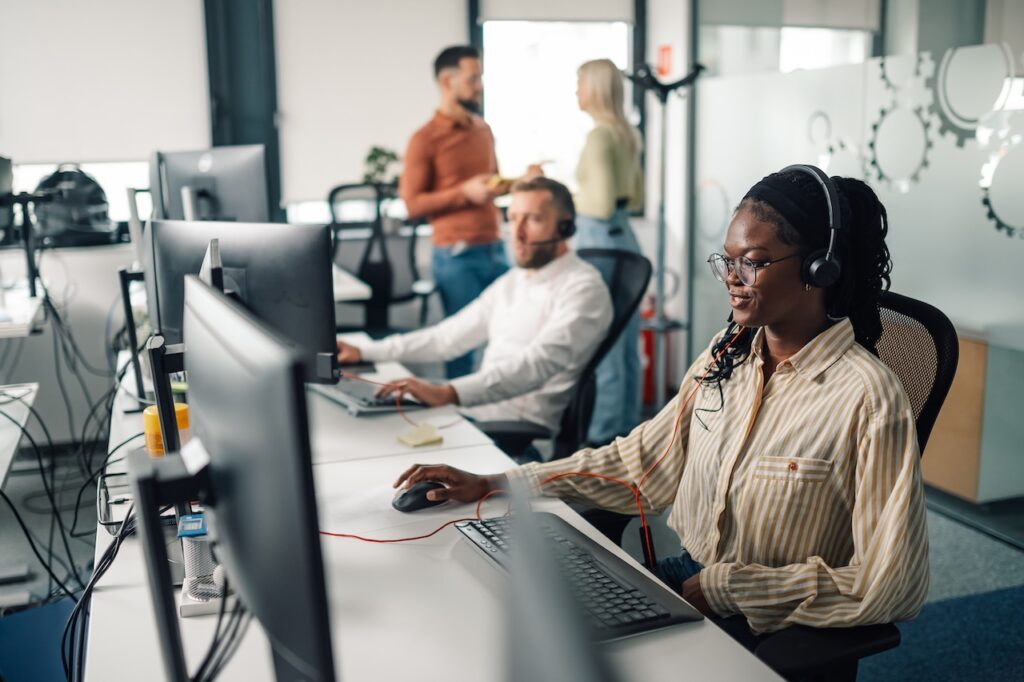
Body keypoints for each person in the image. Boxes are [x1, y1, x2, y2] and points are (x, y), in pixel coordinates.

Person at [393, 168, 929, 639]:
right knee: (503, 617)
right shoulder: (728, 357)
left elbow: (892, 585)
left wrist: (730, 589)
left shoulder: (867, 396)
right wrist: (497, 483)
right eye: (727, 260)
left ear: (819, 269)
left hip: (768, 619)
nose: (732, 281)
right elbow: (639, 464)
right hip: (681, 581)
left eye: (754, 263)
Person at [338, 178, 612, 455]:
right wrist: (364, 351)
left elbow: (536, 365)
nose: (516, 233)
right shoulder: (514, 280)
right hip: (470, 414)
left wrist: (447, 392)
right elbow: (446, 338)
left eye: (533, 220)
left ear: (565, 226)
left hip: (515, 437)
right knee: (364, 437)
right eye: (512, 218)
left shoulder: (584, 289)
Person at [400, 45, 518, 379]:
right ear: (446, 81)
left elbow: (493, 182)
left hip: (496, 250)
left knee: (511, 339)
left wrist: (519, 183)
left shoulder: (484, 130)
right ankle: (459, 424)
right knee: (460, 347)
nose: (479, 86)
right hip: (456, 257)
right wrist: (463, 193)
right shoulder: (424, 140)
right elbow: (412, 205)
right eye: (473, 78)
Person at [573, 58, 645, 445]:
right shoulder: (626, 133)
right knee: (625, 343)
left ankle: (601, 440)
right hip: (623, 237)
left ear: (596, 88)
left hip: (600, 239)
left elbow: (597, 205)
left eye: (580, 83)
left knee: (605, 344)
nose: (576, 91)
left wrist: (558, 196)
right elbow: (634, 197)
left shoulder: (599, 136)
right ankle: (627, 432)